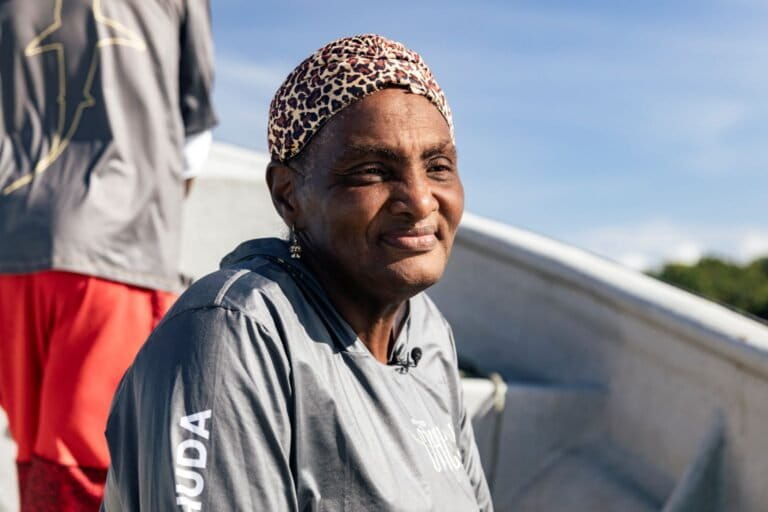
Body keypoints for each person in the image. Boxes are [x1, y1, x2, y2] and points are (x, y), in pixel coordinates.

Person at [101, 34, 493, 511]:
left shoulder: (428, 334)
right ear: (288, 195)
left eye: (438, 167)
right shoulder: (231, 332)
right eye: (372, 171)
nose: (419, 200)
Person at [0, 0, 216, 509]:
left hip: (13, 243)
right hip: (119, 244)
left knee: (35, 461)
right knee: (93, 469)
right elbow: (195, 126)